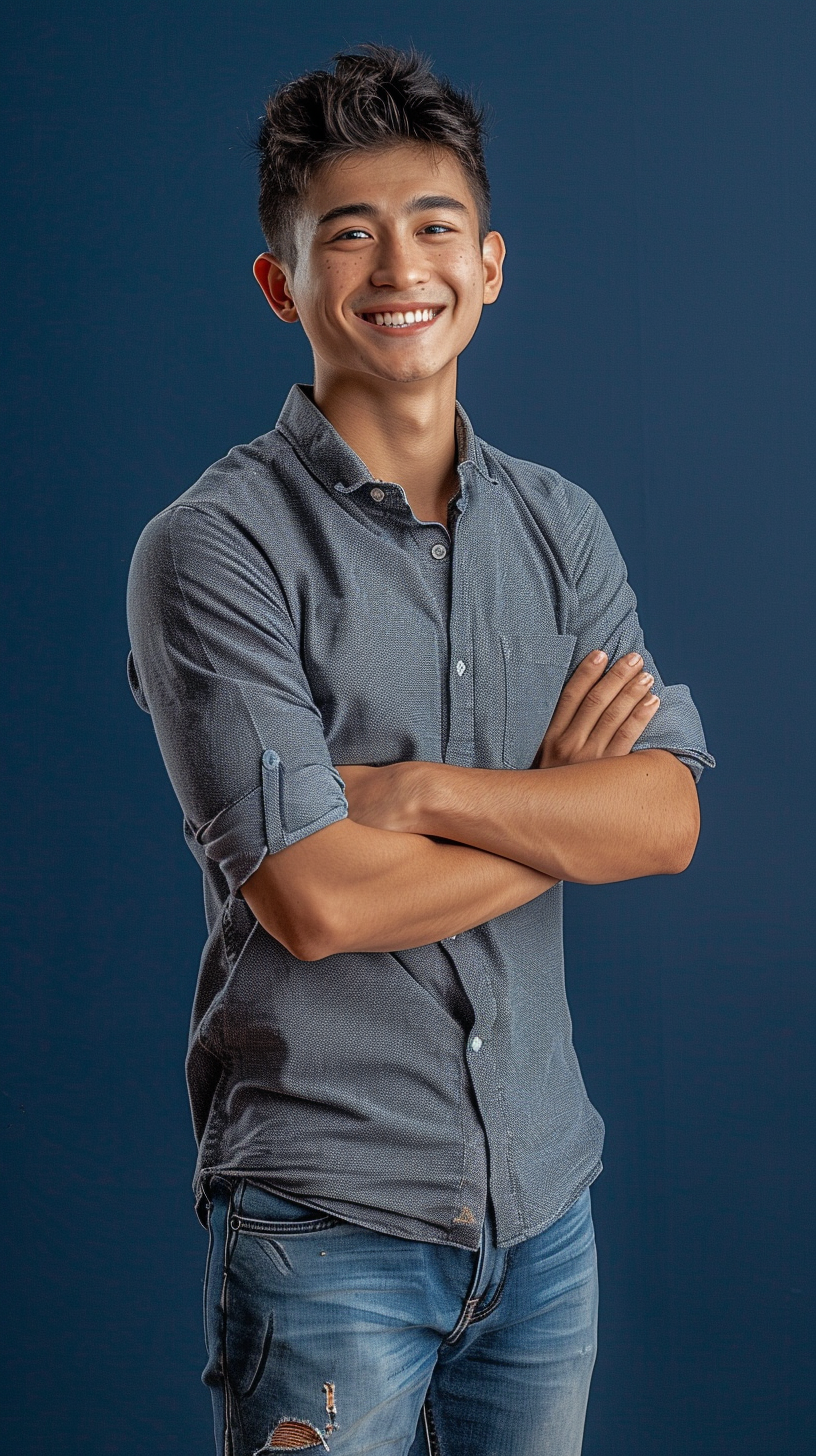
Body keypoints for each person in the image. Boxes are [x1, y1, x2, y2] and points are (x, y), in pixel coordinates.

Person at [126, 43, 713, 1456]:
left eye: (435, 226)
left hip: (544, 1211)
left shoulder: (561, 529)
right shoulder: (211, 552)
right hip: (324, 1225)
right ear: (284, 285)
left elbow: (669, 823)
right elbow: (317, 900)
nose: (403, 267)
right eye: (351, 234)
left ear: (490, 263)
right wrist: (558, 816)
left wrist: (427, 797)